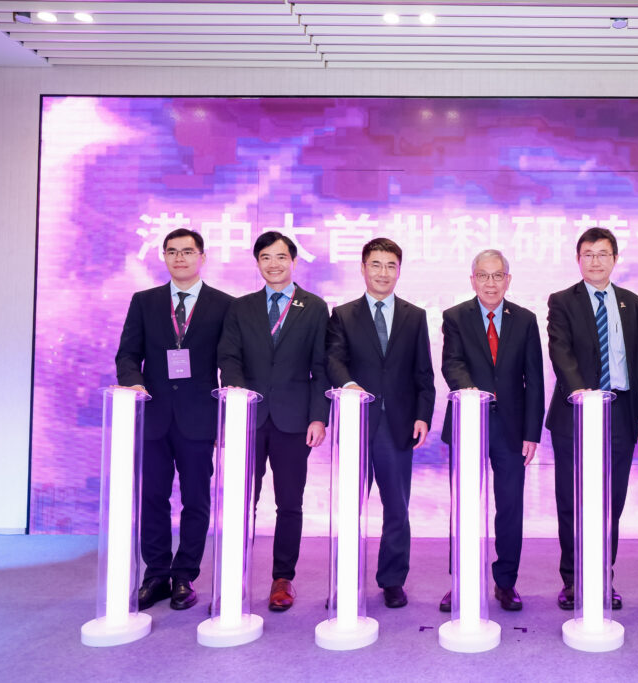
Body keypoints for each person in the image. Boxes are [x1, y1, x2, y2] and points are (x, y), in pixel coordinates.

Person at [115, 228, 233, 611]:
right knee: (152, 498)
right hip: (152, 414)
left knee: (197, 500)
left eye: (187, 251)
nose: (179, 258)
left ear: (203, 256)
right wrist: (133, 384)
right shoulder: (145, 301)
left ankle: (184, 575)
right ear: (163, 257)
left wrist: (229, 408)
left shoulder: (224, 305)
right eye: (172, 252)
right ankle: (156, 574)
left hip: (200, 417)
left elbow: (230, 360)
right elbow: (128, 355)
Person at [217, 231, 329, 612]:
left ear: (293, 261)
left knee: (289, 503)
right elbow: (228, 356)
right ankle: (235, 570)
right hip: (249, 418)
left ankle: (283, 578)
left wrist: (318, 417)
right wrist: (237, 397)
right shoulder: (241, 307)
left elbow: (320, 368)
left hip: (294, 420)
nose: (274, 264)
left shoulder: (314, 307)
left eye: (281, 257)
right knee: (242, 500)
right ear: (257, 262)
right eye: (266, 257)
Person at [326, 237, 435, 609]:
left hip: (398, 425)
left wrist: (423, 414)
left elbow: (424, 372)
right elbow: (334, 360)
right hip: (357, 422)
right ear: (362, 268)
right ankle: (345, 576)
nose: (383, 272)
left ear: (399, 270)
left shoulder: (414, 315)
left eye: (390, 265)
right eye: (376, 264)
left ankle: (392, 579)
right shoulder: (342, 314)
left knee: (396, 507)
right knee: (350, 506)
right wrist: (351, 386)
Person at [546, 226, 638, 610]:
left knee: (611, 500)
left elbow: (637, 363)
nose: (595, 261)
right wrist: (582, 393)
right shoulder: (562, 301)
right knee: (572, 500)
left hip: (621, 411)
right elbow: (561, 353)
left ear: (615, 259)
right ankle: (573, 579)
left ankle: (603, 575)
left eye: (603, 254)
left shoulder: (633, 303)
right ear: (578, 260)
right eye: (588, 254)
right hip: (576, 410)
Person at [437, 249, 544, 612]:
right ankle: (462, 581)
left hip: (513, 430)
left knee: (510, 507)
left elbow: (535, 380)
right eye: (483, 276)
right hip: (470, 420)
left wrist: (533, 433)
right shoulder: (455, 317)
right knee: (465, 506)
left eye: (498, 276)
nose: (491, 283)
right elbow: (451, 363)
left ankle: (506, 582)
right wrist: (470, 392)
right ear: (472, 280)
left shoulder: (526, 320)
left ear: (508, 280)